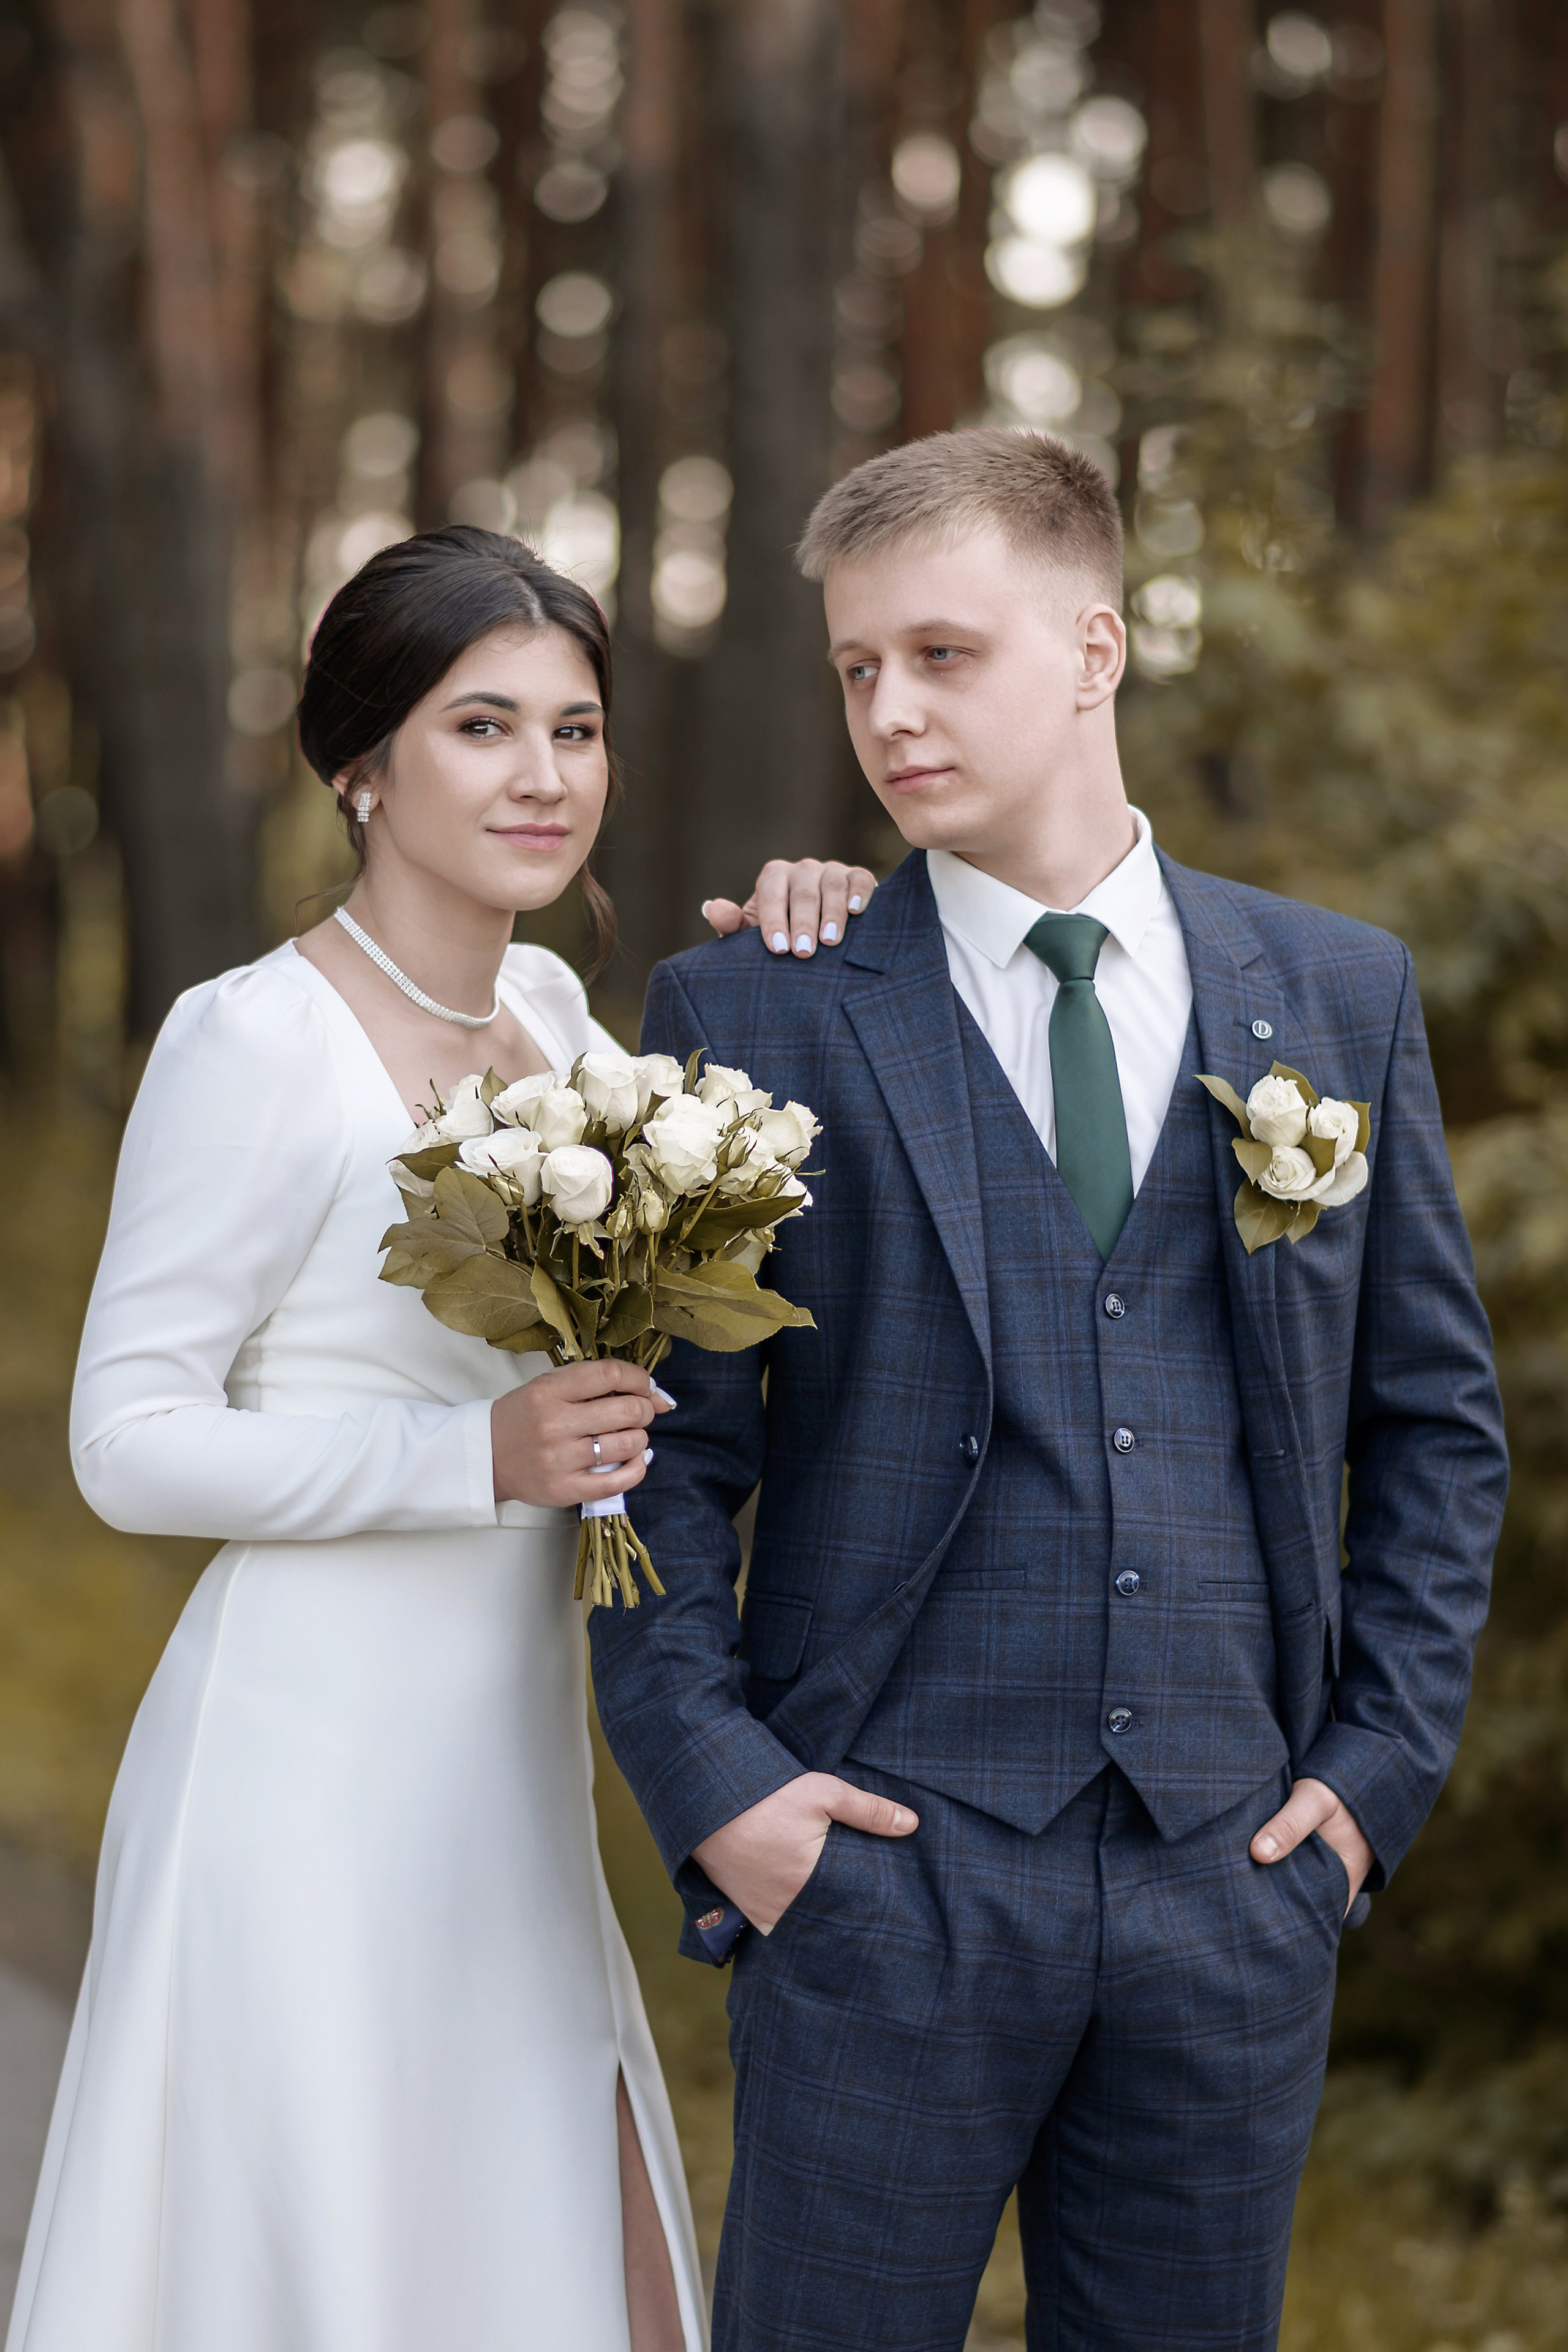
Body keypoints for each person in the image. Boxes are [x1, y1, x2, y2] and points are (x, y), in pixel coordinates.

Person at [589, 431, 1510, 2352]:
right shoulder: (761, 1005)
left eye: (943, 655)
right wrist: (728, 1796)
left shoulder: (1337, 997)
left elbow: (1431, 1429)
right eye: (857, 671)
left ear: (1095, 650)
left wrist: (1367, 1782)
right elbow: (657, 1461)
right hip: (874, 1883)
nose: (890, 714)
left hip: (1229, 1886)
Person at [5, 525, 867, 2352]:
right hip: (303, 1767)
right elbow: (126, 1440)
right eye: (482, 727)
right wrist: (463, 1464)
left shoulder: (557, 1019)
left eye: (577, 727)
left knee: (588, 2271)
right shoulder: (252, 1040)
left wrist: (819, 940)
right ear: (364, 766)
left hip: (512, 1762)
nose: (544, 777)